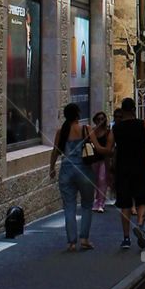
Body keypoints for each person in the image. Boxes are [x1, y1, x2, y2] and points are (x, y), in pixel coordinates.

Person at [107, 98, 145, 250]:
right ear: (134, 109)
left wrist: (109, 167)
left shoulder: (116, 128)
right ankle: (140, 225)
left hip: (123, 168)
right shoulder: (143, 125)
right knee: (142, 200)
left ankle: (126, 238)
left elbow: (109, 149)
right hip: (139, 167)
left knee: (125, 204)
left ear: (122, 111)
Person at [49, 103, 98, 251]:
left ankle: (71, 242)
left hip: (66, 170)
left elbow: (55, 151)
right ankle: (84, 239)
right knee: (87, 205)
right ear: (77, 114)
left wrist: (51, 168)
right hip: (84, 170)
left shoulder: (61, 132)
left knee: (69, 206)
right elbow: (97, 148)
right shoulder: (86, 129)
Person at [90, 111, 111, 213]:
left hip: (103, 159)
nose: (100, 121)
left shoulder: (108, 132)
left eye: (102, 119)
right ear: (95, 120)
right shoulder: (92, 131)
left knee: (102, 180)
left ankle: (101, 203)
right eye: (98, 119)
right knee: (95, 181)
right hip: (94, 159)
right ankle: (96, 201)